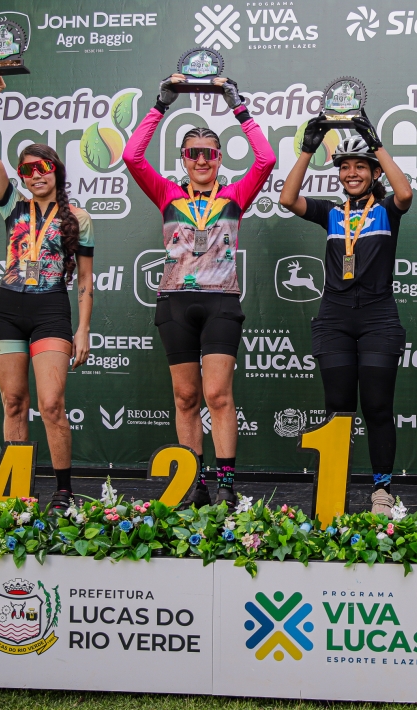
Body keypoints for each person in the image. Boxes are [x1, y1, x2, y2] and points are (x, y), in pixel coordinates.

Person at [123, 74, 275, 509]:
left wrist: (238, 107)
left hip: (220, 303)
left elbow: (265, 159)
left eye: (209, 152)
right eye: (194, 153)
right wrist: (161, 105)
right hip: (175, 303)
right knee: (186, 397)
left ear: (220, 157)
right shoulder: (168, 194)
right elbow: (132, 156)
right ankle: (195, 483)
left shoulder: (235, 195)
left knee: (218, 395)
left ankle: (226, 484)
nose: (202, 159)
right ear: (184, 159)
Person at [279, 113, 413, 515]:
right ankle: (333, 489)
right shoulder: (331, 213)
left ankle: (381, 492)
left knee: (376, 407)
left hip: (378, 319)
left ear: (374, 172)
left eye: (361, 166)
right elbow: (287, 199)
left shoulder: (387, 209)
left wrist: (376, 144)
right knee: (337, 410)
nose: (352, 173)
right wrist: (308, 150)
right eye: (344, 167)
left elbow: (405, 193)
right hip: (335, 319)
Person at [0, 74, 95, 511]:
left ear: (56, 171)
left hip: (50, 310)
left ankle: (63, 491)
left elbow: (86, 281)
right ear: (22, 176)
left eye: (43, 167)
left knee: (51, 404)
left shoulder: (78, 217)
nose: (36, 174)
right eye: (27, 169)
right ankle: (17, 493)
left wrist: (83, 330)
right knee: (13, 402)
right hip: (7, 309)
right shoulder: (12, 204)